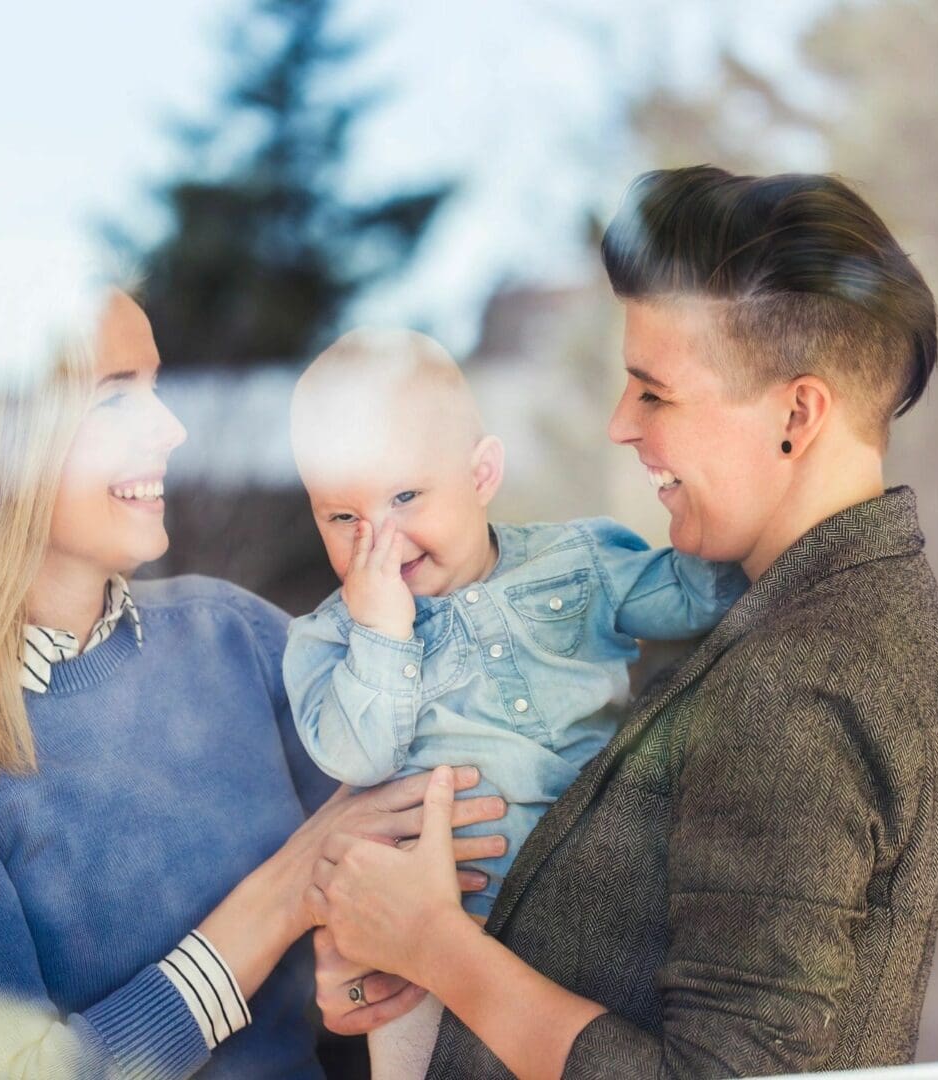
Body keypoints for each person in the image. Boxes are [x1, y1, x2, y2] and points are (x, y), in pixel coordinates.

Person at [306, 165, 938, 1079]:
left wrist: (433, 948)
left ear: (797, 414)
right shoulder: (827, 611)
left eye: (654, 392)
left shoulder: (803, 676)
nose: (621, 424)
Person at [0, 280, 507, 1079]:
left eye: (157, 388)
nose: (170, 429)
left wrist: (374, 968)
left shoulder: (235, 639)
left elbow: (451, 855)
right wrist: (279, 899)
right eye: (113, 400)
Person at [283, 329, 746, 1077]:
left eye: (405, 496)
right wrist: (383, 635)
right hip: (427, 950)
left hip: (599, 909)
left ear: (482, 473)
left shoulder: (580, 560)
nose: (380, 540)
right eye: (343, 517)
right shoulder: (331, 640)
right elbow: (356, 754)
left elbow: (698, 599)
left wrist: (721, 488)